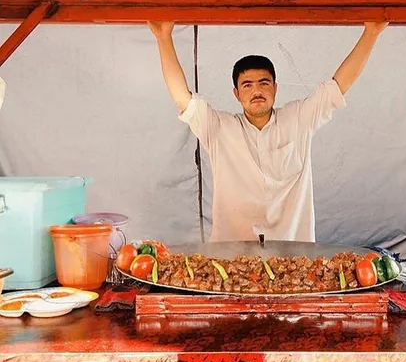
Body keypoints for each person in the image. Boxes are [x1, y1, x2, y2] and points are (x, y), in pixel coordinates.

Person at [148, 21, 388, 242]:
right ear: (236, 94)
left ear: (275, 88)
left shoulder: (298, 119)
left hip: (294, 259)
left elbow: (337, 87)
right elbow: (182, 98)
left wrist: (372, 32)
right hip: (230, 259)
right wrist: (163, 37)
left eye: (264, 83)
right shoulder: (219, 128)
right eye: (247, 85)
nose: (257, 91)